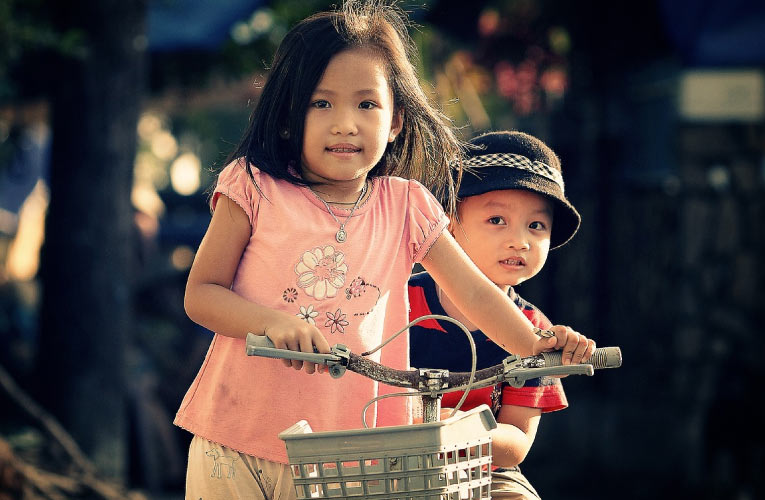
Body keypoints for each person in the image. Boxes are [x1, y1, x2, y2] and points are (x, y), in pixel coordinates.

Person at [175, 2, 594, 498]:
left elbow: (479, 296)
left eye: (367, 105)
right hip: (234, 437)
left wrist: (537, 347)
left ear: (395, 121)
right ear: (286, 115)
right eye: (320, 103)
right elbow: (201, 293)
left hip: (350, 456)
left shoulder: (406, 205)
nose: (345, 124)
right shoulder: (251, 185)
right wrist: (270, 323)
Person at [409, 130, 592, 499]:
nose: (519, 240)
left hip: (482, 469)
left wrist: (459, 431)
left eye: (536, 226)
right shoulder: (399, 298)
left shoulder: (535, 331)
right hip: (390, 457)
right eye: (497, 220)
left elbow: (517, 440)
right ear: (448, 222)